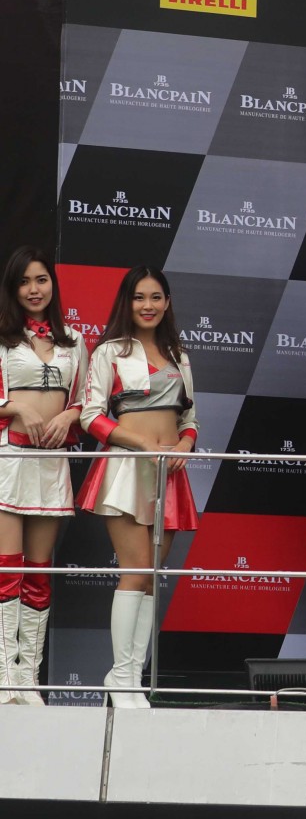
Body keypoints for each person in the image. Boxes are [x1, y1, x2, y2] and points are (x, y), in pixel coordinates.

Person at [76, 267, 200, 708]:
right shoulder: (110, 350)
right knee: (136, 570)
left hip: (169, 472)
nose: (148, 305)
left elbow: (190, 418)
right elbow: (90, 416)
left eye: (156, 297)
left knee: (151, 577)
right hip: (127, 469)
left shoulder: (179, 353)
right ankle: (120, 675)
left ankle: (130, 675)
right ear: (126, 303)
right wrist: (142, 442)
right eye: (139, 297)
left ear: (167, 302)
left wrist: (185, 443)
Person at [0, 249, 87, 703]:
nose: (34, 289)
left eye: (41, 279)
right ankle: (3, 678)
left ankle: (28, 680)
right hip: (9, 460)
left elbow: (89, 401)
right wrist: (15, 406)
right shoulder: (3, 338)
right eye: (24, 281)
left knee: (38, 573)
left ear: (53, 283)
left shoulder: (74, 341)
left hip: (52, 464)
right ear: (12, 288)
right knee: (6, 572)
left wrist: (70, 415)